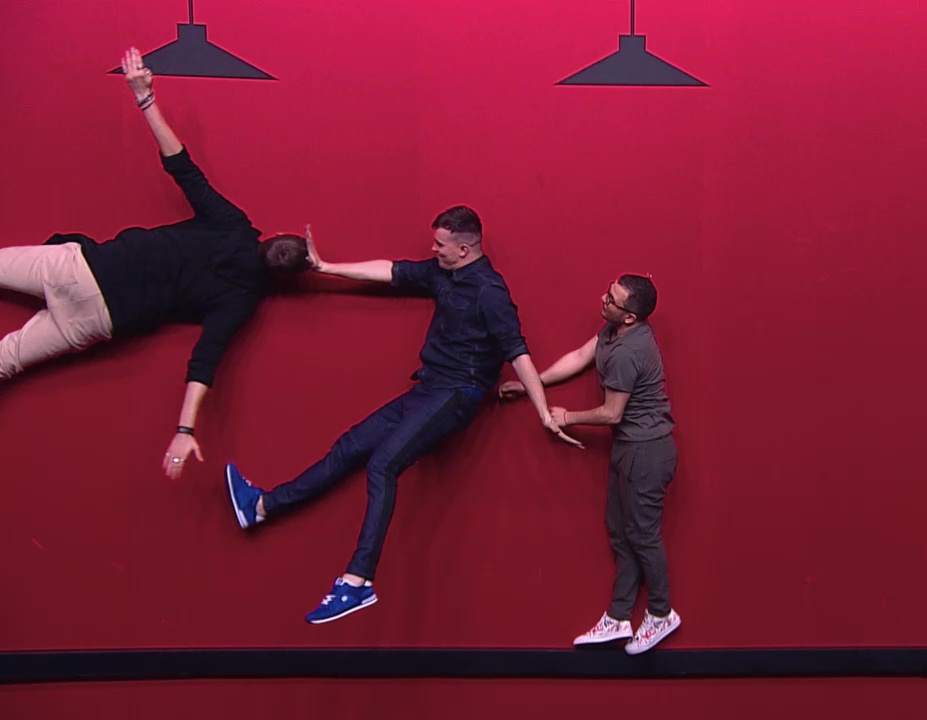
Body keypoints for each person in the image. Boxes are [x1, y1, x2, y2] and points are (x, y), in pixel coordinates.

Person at [224, 207, 582, 624]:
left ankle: (358, 582)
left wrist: (543, 411)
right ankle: (262, 506)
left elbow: (518, 352)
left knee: (383, 465)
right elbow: (391, 271)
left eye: (440, 244)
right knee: (350, 446)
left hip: (457, 395)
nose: (433, 249)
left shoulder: (490, 292)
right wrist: (326, 267)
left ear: (464, 249)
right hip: (427, 389)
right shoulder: (442, 272)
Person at [0, 47, 309, 479]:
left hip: (84, 268)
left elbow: (182, 168)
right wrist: (185, 429)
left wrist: (144, 98)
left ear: (270, 234)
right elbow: (205, 360)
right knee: (7, 359)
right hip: (97, 317)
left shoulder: (232, 225)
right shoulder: (241, 298)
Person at [499, 273, 680, 655]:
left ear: (629, 316)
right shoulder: (614, 331)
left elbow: (612, 413)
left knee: (642, 535)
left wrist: (567, 417)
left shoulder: (629, 352)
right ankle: (619, 617)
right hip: (629, 448)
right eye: (608, 292)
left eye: (611, 300)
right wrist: (533, 385)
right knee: (621, 532)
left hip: (647, 453)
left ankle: (662, 613)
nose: (603, 299)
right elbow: (582, 356)